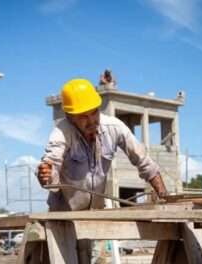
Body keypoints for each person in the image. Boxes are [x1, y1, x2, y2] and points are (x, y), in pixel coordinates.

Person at [36, 78, 168, 262]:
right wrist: (45, 174)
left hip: (94, 216)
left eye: (94, 112)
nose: (91, 120)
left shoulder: (115, 127)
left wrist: (163, 195)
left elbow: (144, 161)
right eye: (83, 116)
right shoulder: (61, 133)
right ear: (69, 116)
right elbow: (51, 164)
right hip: (63, 217)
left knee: (94, 259)